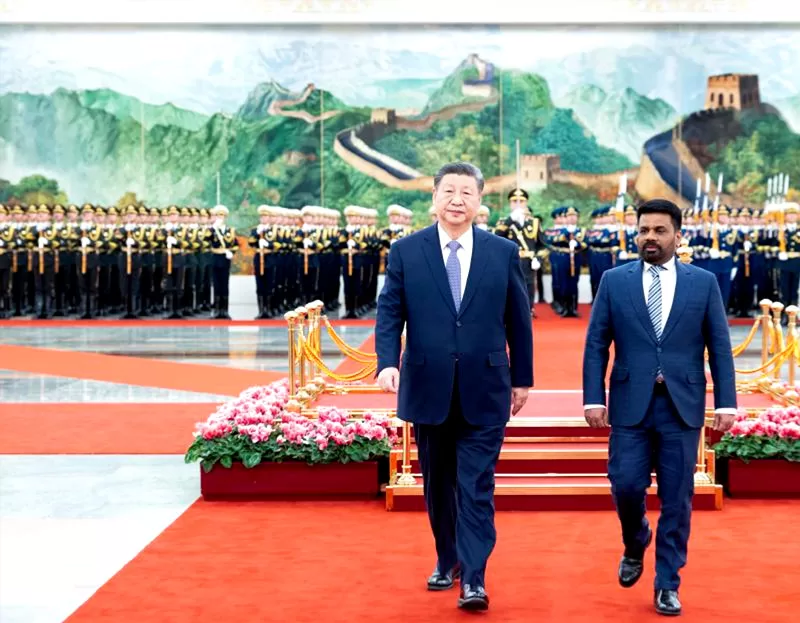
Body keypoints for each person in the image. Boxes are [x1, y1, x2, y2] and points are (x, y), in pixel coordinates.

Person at [375, 162, 533, 612]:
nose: (457, 200)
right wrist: (387, 362)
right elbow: (390, 313)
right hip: (428, 385)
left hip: (486, 386)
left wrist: (522, 378)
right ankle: (447, 558)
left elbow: (519, 321)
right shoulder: (407, 251)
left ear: (481, 202)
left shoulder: (501, 253)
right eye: (449, 191)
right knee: (439, 484)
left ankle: (475, 578)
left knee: (476, 484)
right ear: (434, 198)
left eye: (467, 192)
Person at [582, 198, 737, 617]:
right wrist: (593, 397)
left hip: (681, 407)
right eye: (643, 230)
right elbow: (597, 342)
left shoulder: (703, 283)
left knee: (677, 499)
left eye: (659, 231)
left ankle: (668, 583)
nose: (650, 237)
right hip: (630, 406)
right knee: (626, 485)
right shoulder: (614, 281)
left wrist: (727, 402)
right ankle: (636, 541)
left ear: (678, 236)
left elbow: (720, 348)